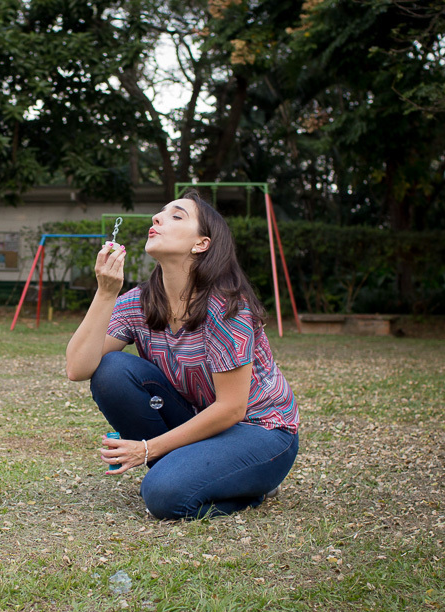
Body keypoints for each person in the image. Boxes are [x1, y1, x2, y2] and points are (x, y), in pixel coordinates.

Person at [65, 190, 299, 520]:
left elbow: (232, 408)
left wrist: (147, 448)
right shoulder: (139, 301)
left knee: (163, 497)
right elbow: (78, 368)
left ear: (201, 244)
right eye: (159, 214)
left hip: (260, 432)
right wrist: (105, 293)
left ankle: (249, 486)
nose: (157, 219)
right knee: (111, 370)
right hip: (198, 421)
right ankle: (184, 471)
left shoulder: (226, 308)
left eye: (176, 216)